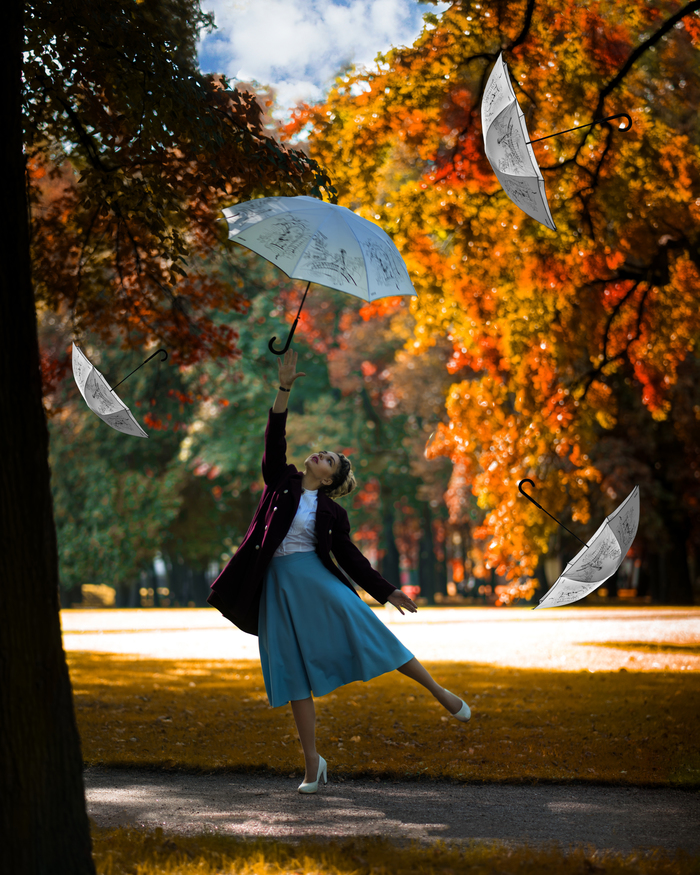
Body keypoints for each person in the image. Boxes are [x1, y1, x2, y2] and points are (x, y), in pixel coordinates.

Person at [207, 350, 471, 794]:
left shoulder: (330, 512)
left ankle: (439, 692)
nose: (320, 456)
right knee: (290, 674)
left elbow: (350, 559)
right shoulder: (281, 483)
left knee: (369, 631)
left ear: (330, 480)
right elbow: (274, 442)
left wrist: (387, 592)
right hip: (276, 588)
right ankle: (313, 765)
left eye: (328, 460)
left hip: (317, 582)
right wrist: (284, 387)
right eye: (322, 454)